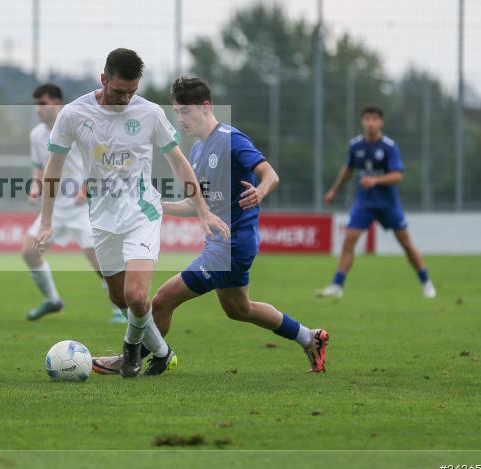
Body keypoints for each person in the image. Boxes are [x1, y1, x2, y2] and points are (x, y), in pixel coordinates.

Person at [92, 76, 330, 375]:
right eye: (177, 112)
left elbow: (269, 173)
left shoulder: (231, 139)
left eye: (185, 112)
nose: (180, 119)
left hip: (230, 246)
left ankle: (132, 358)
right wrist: (156, 205)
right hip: (225, 246)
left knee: (163, 300)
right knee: (239, 309)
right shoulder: (197, 150)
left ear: (205, 107)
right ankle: (309, 337)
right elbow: (196, 205)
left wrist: (260, 191)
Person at [34, 49, 228, 378]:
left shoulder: (150, 114)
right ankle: (163, 353)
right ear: (103, 79)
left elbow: (178, 162)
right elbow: (53, 168)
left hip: (143, 213)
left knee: (136, 296)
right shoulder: (73, 114)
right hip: (102, 218)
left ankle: (130, 352)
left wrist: (203, 210)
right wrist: (47, 221)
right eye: (119, 91)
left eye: (132, 91)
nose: (126, 98)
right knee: (119, 297)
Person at [22, 83, 127, 323]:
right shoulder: (36, 135)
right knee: (29, 252)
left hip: (82, 206)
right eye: (36, 104)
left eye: (43, 103)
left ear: (57, 103)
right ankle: (52, 300)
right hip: (54, 208)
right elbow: (40, 167)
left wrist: (87, 187)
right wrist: (36, 186)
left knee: (98, 258)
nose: (38, 109)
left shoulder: (78, 126)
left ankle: (118, 308)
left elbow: (100, 160)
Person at [319, 105, 436, 299]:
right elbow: (348, 169)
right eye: (367, 119)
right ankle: (337, 286)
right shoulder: (355, 145)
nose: (370, 122)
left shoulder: (389, 147)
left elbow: (398, 175)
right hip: (364, 203)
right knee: (349, 241)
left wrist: (375, 180)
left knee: (406, 244)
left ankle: (426, 283)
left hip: (388, 204)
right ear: (362, 122)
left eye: (374, 119)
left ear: (381, 122)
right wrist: (334, 190)